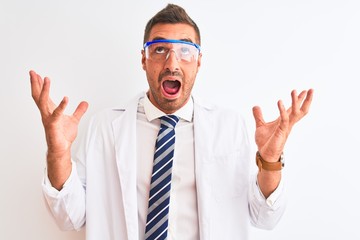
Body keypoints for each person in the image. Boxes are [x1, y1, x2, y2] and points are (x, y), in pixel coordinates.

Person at [30, 3, 313, 240]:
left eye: (185, 50)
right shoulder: (105, 127)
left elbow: (265, 216)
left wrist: (271, 159)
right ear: (144, 59)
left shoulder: (229, 127)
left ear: (199, 61)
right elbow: (69, 217)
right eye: (159, 49)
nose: (172, 63)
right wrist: (58, 153)